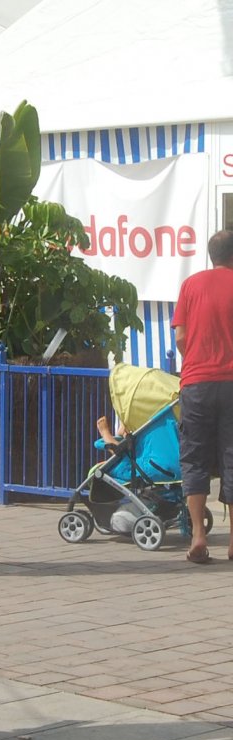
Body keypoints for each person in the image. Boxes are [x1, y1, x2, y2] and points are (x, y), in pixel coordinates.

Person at [171, 229, 233, 564]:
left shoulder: (191, 285)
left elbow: (180, 337)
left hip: (195, 382)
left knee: (194, 458)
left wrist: (196, 357)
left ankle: (198, 535)